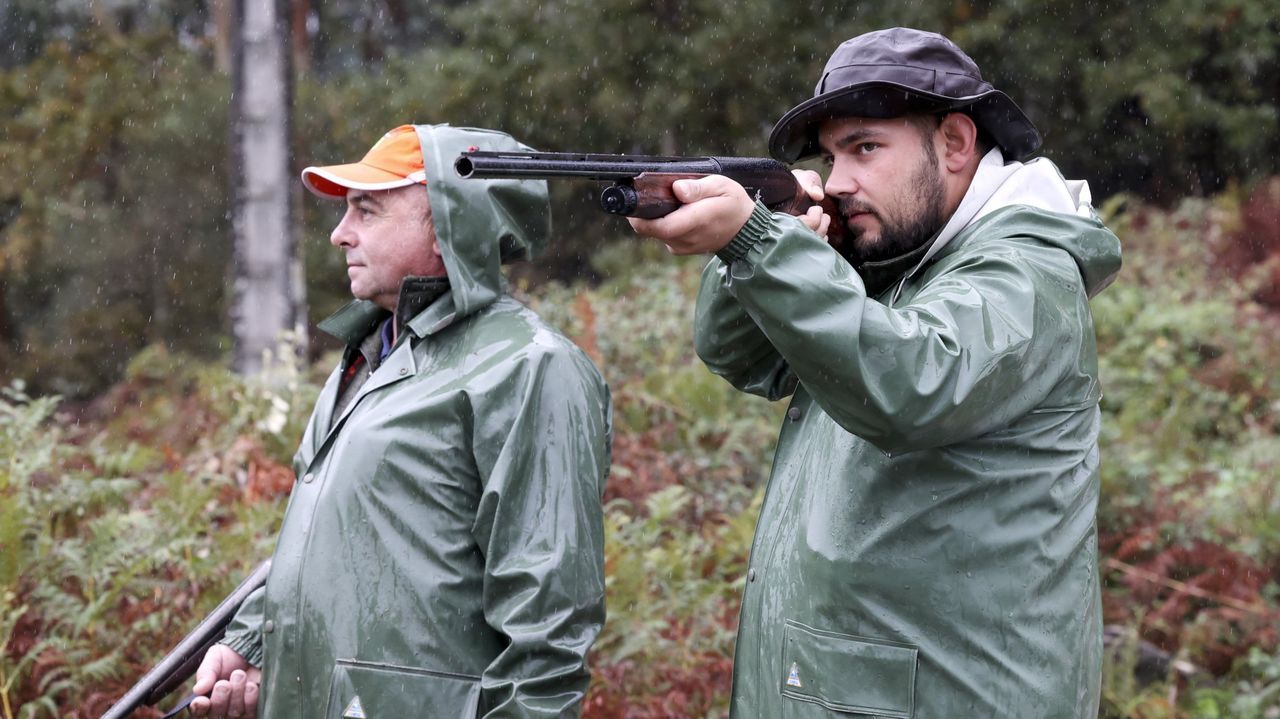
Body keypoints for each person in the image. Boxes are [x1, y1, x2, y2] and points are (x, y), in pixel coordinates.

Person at [628, 28, 1122, 718]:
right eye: (830, 157)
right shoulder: (896, 257)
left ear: (955, 143)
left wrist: (755, 241)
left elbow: (911, 383)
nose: (837, 182)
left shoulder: (1027, 272)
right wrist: (774, 236)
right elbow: (743, 356)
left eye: (864, 148)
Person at [189, 124, 612, 718]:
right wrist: (253, 645)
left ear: (448, 226)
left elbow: (549, 629)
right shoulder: (369, 352)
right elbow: (324, 543)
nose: (340, 234)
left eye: (367, 210)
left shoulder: (529, 366)